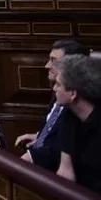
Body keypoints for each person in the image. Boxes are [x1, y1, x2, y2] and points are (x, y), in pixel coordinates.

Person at [16, 39, 91, 170]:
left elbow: (68, 147)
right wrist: (39, 137)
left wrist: (33, 157)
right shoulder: (58, 90)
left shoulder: (79, 105)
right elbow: (56, 130)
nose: (47, 65)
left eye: (54, 61)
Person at [52, 55, 101, 193]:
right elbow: (66, 171)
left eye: (58, 84)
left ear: (73, 94)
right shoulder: (68, 115)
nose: (54, 88)